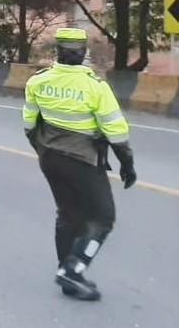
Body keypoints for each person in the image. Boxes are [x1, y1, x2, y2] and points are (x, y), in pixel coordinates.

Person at [23, 27, 136, 301]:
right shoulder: (95, 86)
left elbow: (29, 125)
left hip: (49, 158)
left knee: (67, 214)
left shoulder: (38, 81)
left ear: (58, 51)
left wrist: (42, 151)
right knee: (103, 218)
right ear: (83, 52)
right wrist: (126, 164)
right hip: (82, 160)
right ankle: (73, 270)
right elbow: (116, 132)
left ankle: (65, 274)